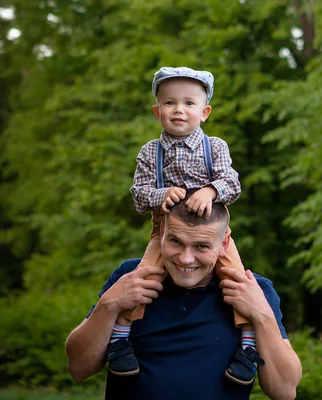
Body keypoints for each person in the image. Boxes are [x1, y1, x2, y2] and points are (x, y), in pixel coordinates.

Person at [65, 196, 302, 400]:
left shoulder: (253, 290)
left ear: (224, 244)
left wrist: (261, 314)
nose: (186, 258)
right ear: (161, 235)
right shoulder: (131, 278)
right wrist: (110, 304)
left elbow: (284, 391)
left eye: (201, 246)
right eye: (176, 241)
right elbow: (78, 368)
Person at [111, 66, 256, 384]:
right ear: (157, 111)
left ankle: (248, 347)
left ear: (204, 112)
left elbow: (232, 182)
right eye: (169, 103)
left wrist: (209, 190)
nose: (179, 110)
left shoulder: (214, 147)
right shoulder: (150, 152)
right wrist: (161, 194)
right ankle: (120, 339)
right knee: (142, 277)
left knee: (239, 282)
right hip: (166, 233)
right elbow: (138, 197)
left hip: (212, 233)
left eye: (189, 103)